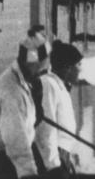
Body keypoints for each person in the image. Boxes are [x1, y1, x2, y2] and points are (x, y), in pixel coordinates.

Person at [0, 26, 50, 179]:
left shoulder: (23, 81)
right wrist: (28, 173)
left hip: (8, 159)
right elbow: (15, 138)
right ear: (31, 63)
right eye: (40, 68)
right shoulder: (11, 90)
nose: (41, 73)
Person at [35, 40, 83, 179]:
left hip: (61, 155)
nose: (80, 69)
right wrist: (53, 165)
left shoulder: (60, 86)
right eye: (78, 65)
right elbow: (45, 128)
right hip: (50, 159)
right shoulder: (49, 84)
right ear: (67, 68)